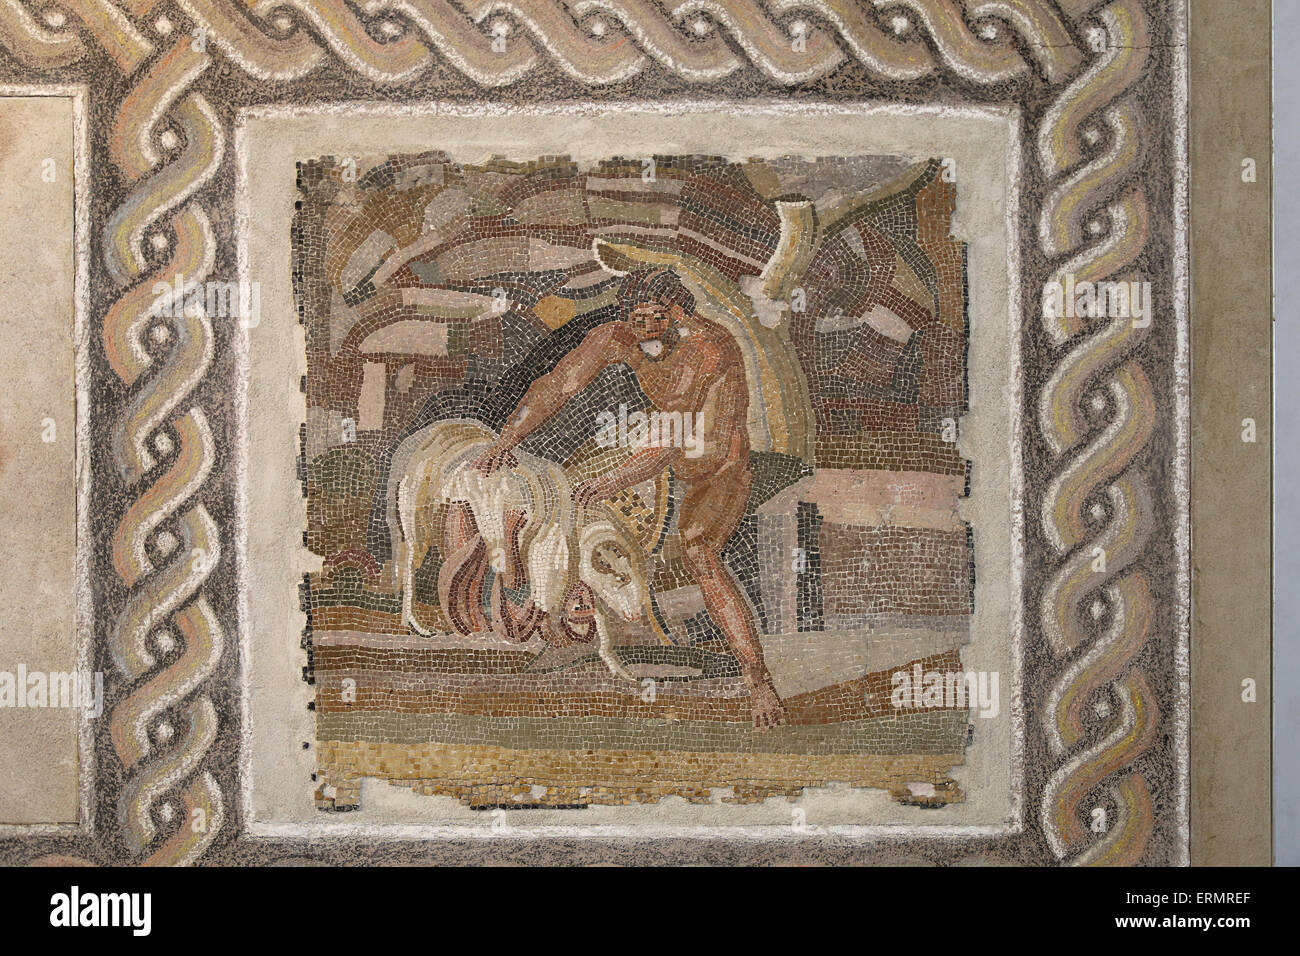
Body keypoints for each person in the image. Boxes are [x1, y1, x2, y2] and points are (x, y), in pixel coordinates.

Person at [474, 267, 787, 729]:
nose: (645, 330)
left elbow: (670, 439)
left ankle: (758, 679)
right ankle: (565, 625)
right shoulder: (619, 337)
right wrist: (507, 439)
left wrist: (613, 481)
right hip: (658, 454)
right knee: (569, 493)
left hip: (717, 468)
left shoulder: (708, 350)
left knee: (698, 551)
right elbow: (558, 385)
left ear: (678, 313)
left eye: (656, 318)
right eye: (636, 320)